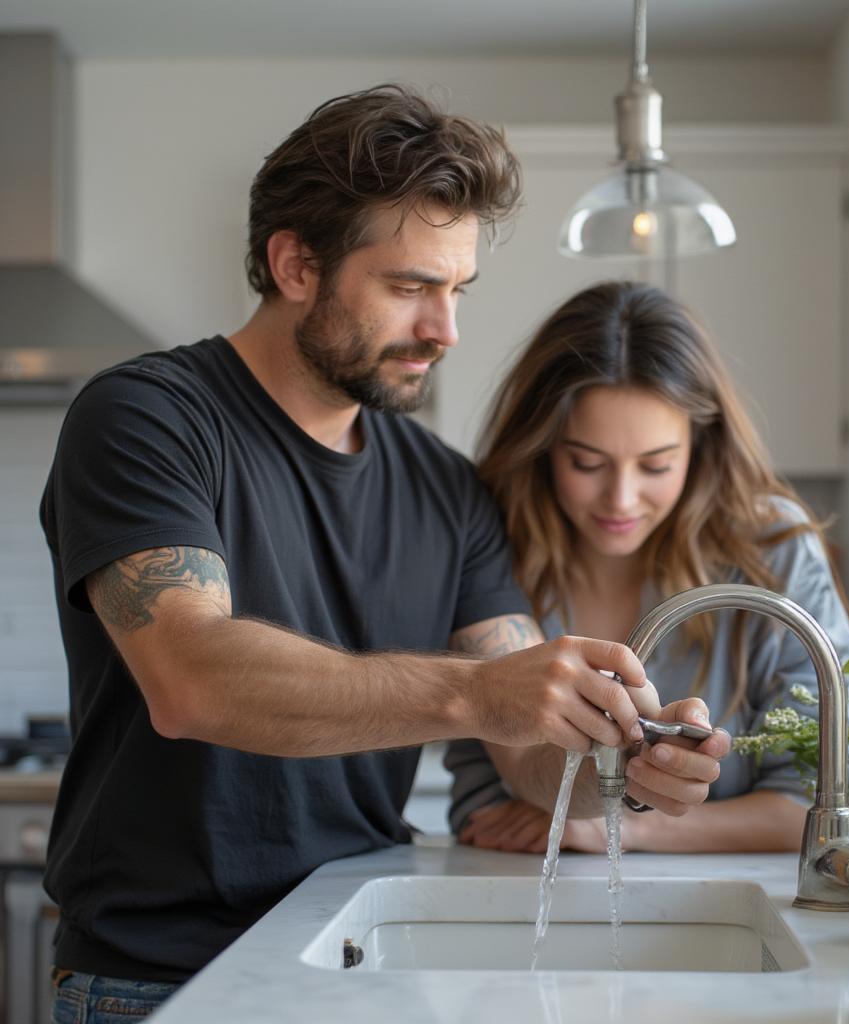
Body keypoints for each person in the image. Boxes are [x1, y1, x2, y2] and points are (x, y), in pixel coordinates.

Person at [40, 87, 728, 1021]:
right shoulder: (148, 419)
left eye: (456, 290)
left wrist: (624, 765)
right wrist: (477, 691)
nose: (444, 330)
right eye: (410, 287)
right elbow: (192, 678)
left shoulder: (446, 486)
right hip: (158, 979)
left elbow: (520, 741)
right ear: (294, 264)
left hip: (363, 950)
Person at [447, 281, 849, 855]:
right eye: (585, 462)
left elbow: (826, 800)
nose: (621, 498)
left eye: (656, 465)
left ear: (700, 447)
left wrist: (632, 826)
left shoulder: (772, 548)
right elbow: (485, 801)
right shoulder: (488, 541)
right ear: (542, 447)